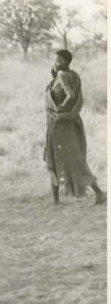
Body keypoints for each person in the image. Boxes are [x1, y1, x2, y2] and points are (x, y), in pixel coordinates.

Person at [44, 49, 106, 205]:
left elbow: (70, 95)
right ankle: (56, 200)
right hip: (66, 123)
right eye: (54, 60)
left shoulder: (63, 75)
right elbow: (74, 98)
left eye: (58, 61)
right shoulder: (72, 75)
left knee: (64, 159)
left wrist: (59, 109)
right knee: (70, 159)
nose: (55, 63)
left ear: (66, 62)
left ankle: (97, 193)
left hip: (62, 125)